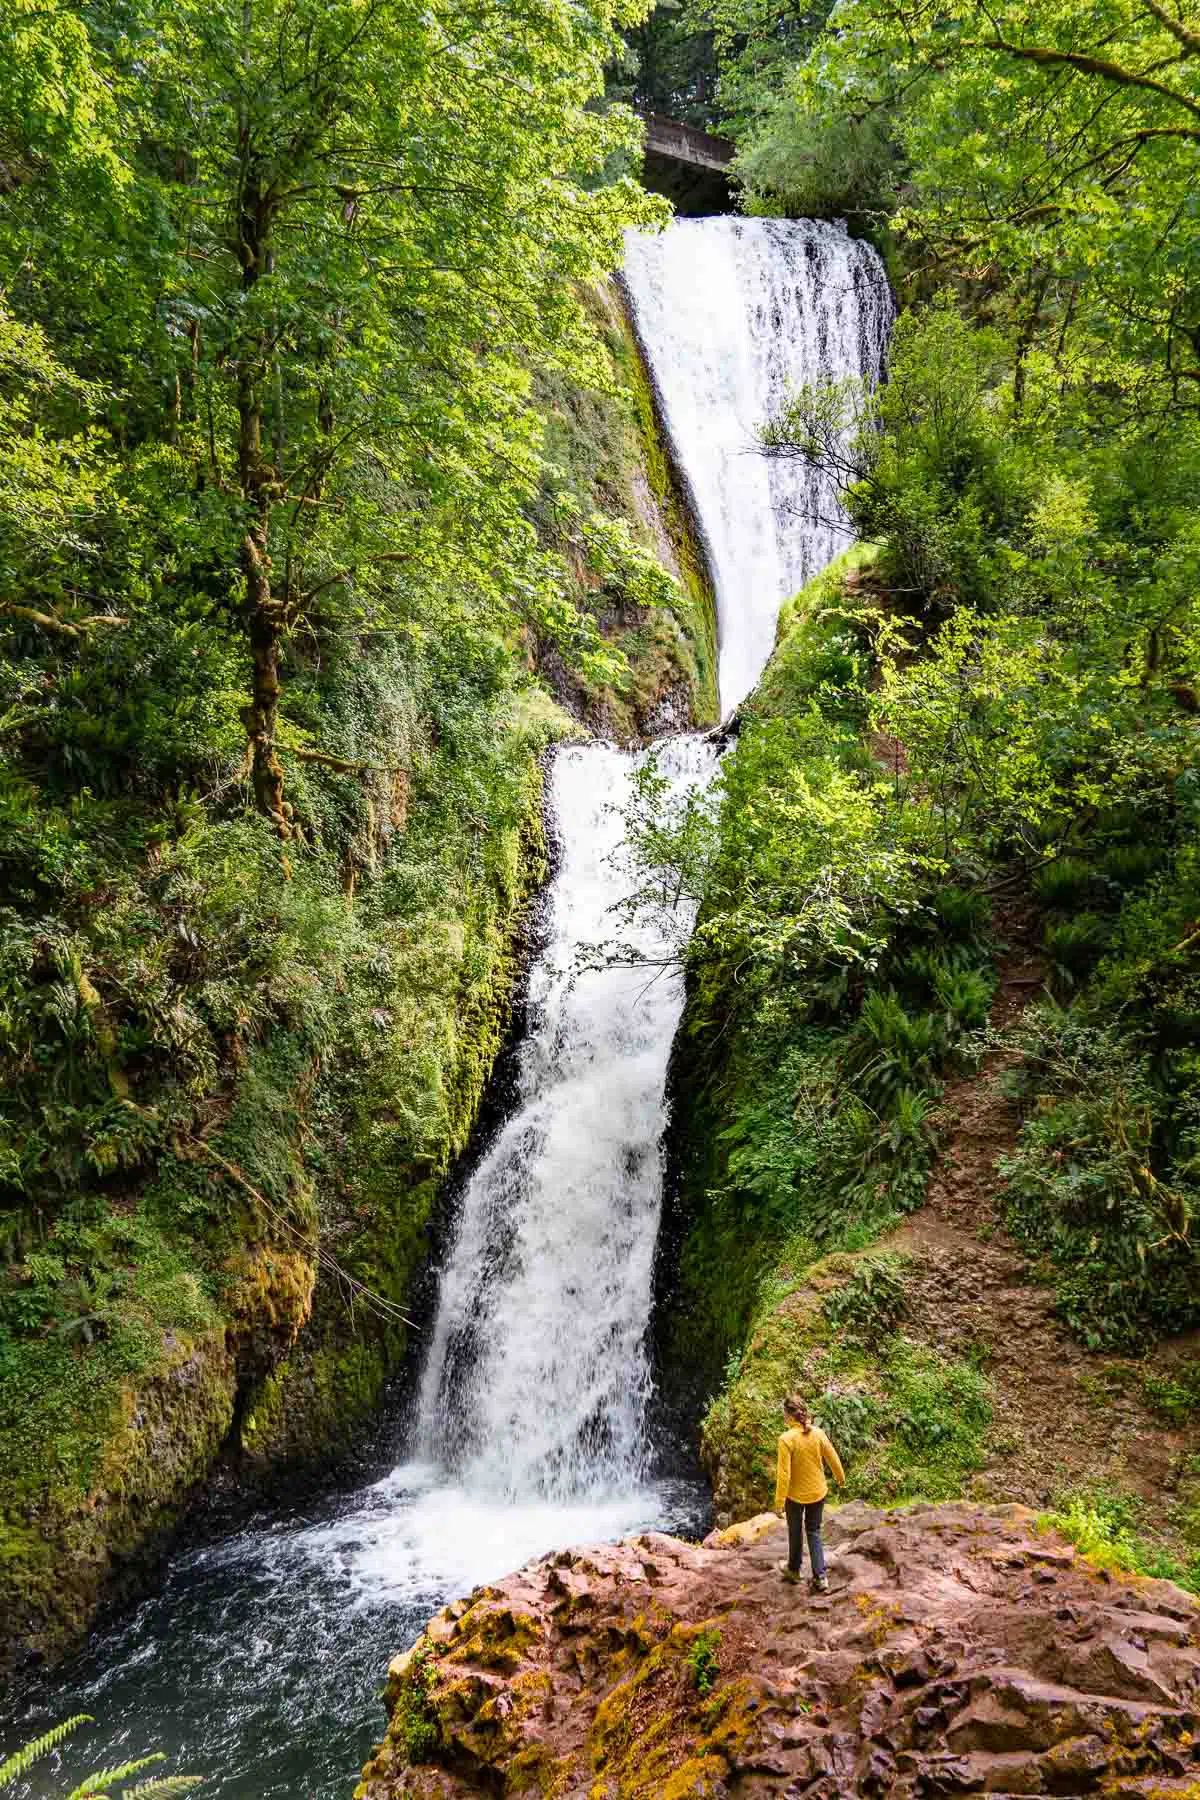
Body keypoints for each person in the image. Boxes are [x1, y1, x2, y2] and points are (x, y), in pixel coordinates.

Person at [774, 1393, 845, 1591]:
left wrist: (779, 1503)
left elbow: (784, 1475)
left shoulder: (786, 1439)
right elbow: (832, 1457)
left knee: (795, 1531)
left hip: (795, 1497)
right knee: (813, 1531)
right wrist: (840, 1478)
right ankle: (820, 1577)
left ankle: (794, 1570)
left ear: (788, 1416)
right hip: (818, 1492)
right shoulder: (818, 1433)